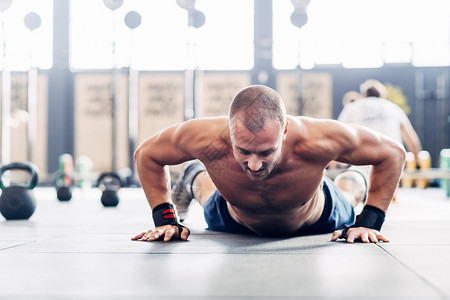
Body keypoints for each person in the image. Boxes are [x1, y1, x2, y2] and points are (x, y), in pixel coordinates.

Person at [132, 85, 405, 244]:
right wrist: (165, 219)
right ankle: (195, 175)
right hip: (234, 215)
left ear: (284, 130)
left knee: (346, 194)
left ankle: (354, 178)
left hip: (317, 217)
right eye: (243, 150)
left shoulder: (318, 139)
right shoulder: (203, 137)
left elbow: (392, 153)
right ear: (228, 131)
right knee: (209, 191)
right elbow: (146, 154)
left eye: (266, 152)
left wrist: (370, 221)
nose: (253, 165)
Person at [338, 79, 422, 161]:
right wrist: (417, 163)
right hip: (392, 159)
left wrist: (333, 166)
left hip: (363, 160)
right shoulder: (394, 108)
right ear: (382, 95)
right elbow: (413, 141)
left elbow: (338, 136)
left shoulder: (352, 107)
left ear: (364, 95)